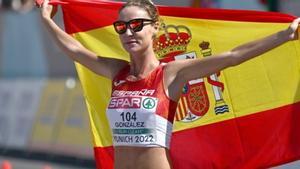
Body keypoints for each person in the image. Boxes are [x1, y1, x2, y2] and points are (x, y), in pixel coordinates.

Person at [38, 0, 300, 168]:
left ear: (155, 27)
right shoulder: (116, 71)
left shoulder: (171, 74)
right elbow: (74, 50)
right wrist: (48, 20)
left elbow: (231, 57)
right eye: (121, 26)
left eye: (137, 25)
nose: (129, 32)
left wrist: (284, 36)